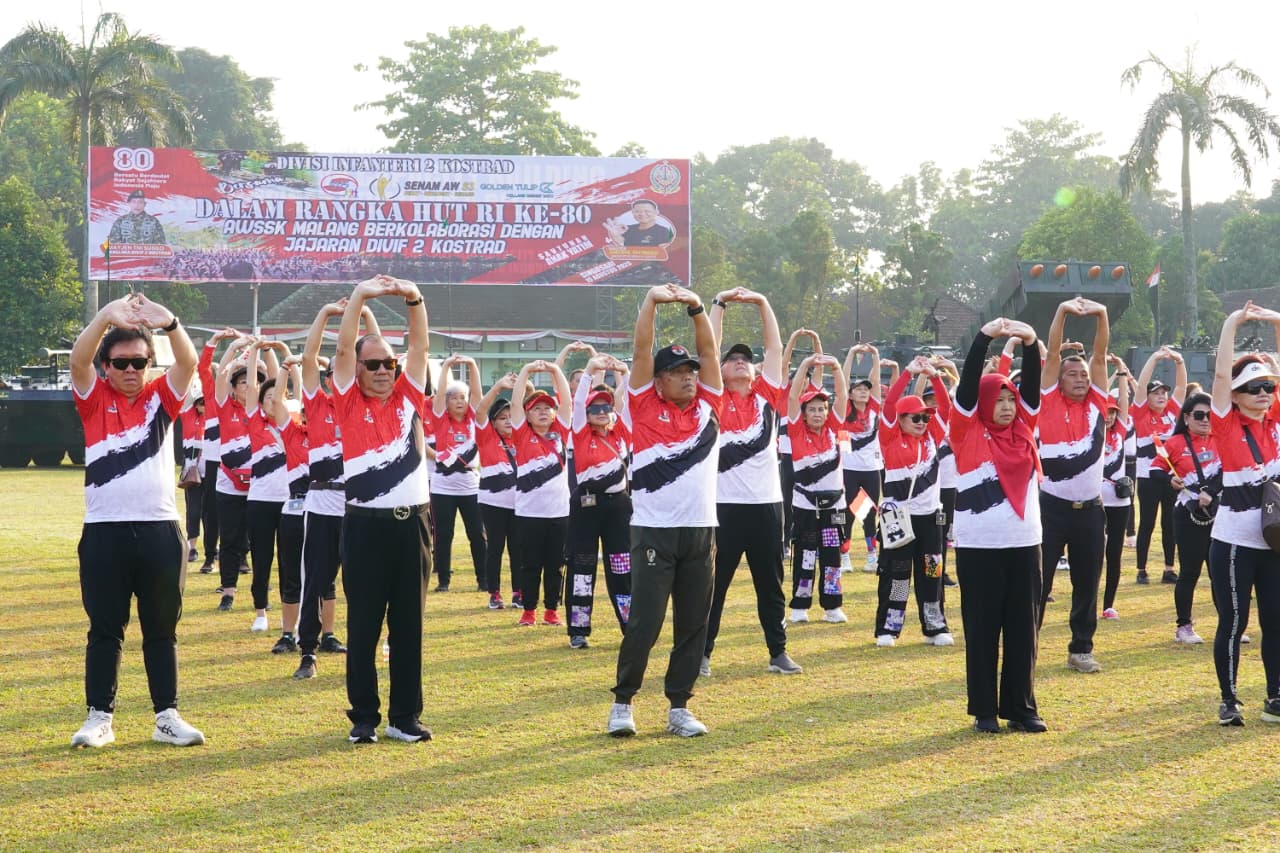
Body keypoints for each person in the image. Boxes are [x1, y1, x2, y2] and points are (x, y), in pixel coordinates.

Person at [68, 292, 205, 748]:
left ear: (150, 364)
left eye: (140, 362)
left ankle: (167, 717)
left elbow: (188, 363)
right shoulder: (93, 399)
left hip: (160, 530)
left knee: (161, 630)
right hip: (104, 531)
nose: (131, 370)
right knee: (105, 630)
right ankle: (99, 718)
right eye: (121, 363)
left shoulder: (161, 399)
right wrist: (105, 316)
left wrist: (170, 323)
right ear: (106, 366)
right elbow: (78, 360)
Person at [608, 284, 722, 738]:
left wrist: (697, 308)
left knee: (693, 624)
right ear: (657, 381)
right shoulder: (641, 406)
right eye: (676, 372)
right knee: (645, 622)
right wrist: (652, 302)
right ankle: (623, 702)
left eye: (690, 371)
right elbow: (641, 350)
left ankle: (679, 706)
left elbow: (709, 352)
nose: (688, 377)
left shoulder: (708, 406)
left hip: (701, 530)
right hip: (654, 530)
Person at [330, 274, 433, 744]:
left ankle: (404, 717)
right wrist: (360, 295)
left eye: (388, 363)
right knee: (364, 625)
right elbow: (343, 348)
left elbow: (420, 345)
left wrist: (413, 298)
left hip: (413, 527)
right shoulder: (348, 401)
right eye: (372, 364)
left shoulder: (410, 395)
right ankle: (364, 718)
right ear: (358, 369)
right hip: (365, 529)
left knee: (409, 626)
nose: (382, 371)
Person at [952, 317, 1046, 734]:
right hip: (979, 547)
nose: (1007, 406)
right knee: (983, 629)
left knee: (1024, 629)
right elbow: (968, 386)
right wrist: (983, 338)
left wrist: (1031, 341)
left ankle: (1021, 708)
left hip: (1025, 543)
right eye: (999, 400)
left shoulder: (1025, 429)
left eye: (1011, 399)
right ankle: (985, 709)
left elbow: (1034, 386)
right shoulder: (965, 429)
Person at [702, 288, 800, 677]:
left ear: (756, 372)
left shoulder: (767, 397)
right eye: (732, 359)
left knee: (771, 585)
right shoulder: (713, 398)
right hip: (722, 508)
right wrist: (719, 304)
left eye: (746, 359)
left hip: (766, 506)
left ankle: (778, 652)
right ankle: (702, 654)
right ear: (721, 370)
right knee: (713, 587)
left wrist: (763, 303)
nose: (739, 362)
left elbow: (774, 349)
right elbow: (708, 349)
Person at [1207, 303, 1280, 726]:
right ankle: (1229, 700)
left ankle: (1276, 696)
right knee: (1234, 621)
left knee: (1277, 621)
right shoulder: (1227, 425)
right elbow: (1220, 377)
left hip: (1275, 542)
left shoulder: (1275, 421)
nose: (1263, 393)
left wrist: (1276, 323)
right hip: (1235, 542)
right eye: (1253, 388)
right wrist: (1232, 322)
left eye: (1268, 386)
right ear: (1235, 396)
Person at [293, 300, 373, 680]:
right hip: (322, 505)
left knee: (363, 583)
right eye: (332, 374)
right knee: (315, 581)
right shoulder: (317, 404)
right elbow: (309, 358)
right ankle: (308, 652)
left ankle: (363, 648)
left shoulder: (364, 405)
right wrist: (325, 314)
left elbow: (375, 352)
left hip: (359, 507)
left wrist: (365, 314)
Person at [1036, 298, 1112, 675]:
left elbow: (1099, 356)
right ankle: (1026, 645)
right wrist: (1062, 311)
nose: (1081, 379)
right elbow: (1052, 354)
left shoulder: (1098, 402)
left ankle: (1081, 648)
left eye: (1083, 374)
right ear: (1059, 379)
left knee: (1087, 582)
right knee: (1038, 581)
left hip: (1091, 511)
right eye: (1072, 375)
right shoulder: (1048, 401)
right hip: (1050, 508)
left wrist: (1101, 314)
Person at [873, 356, 954, 647]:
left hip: (930, 518)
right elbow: (889, 404)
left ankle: (935, 626)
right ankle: (889, 628)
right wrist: (908, 372)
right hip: (898, 518)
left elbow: (945, 408)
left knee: (932, 571)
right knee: (897, 574)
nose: (922, 423)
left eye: (925, 418)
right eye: (915, 418)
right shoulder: (889, 438)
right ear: (900, 419)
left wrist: (935, 376)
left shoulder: (933, 436)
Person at [564, 354, 633, 649]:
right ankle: (578, 629)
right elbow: (579, 401)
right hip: (587, 507)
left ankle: (631, 626)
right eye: (595, 409)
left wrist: (624, 373)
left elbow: (630, 400)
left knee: (622, 567)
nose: (602, 412)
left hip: (619, 507)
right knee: (582, 567)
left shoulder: (621, 432)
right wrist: (591, 370)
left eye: (607, 407)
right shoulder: (580, 433)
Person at [1151, 391, 1220, 645]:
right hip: (1187, 515)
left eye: (1210, 415)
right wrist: (1170, 479)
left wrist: (1210, 491)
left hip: (1219, 514)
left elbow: (1229, 470)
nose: (1205, 420)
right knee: (1190, 572)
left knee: (1220, 573)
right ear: (1187, 417)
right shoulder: (1175, 442)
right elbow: (1155, 469)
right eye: (1199, 415)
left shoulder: (1221, 438)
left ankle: (1229, 624)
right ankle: (1184, 626)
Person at [509, 359, 573, 627]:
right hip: (529, 513)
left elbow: (567, 402)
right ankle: (528, 610)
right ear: (527, 415)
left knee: (556, 564)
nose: (543, 412)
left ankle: (551, 610)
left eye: (548, 408)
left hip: (559, 512)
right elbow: (514, 404)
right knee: (530, 564)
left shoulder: (561, 432)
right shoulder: (521, 434)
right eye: (537, 409)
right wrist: (526, 370)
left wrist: (555, 371)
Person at [242, 339, 290, 636]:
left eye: (277, 396)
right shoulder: (255, 422)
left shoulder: (292, 423)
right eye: (267, 397)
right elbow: (250, 386)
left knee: (288, 560)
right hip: (260, 500)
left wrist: (284, 353)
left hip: (289, 502)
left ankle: (288, 612)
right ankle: (260, 611)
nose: (272, 401)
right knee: (261, 559)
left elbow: (291, 384)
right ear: (260, 403)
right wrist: (255, 352)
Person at [212, 335, 260, 611]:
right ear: (232, 388)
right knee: (229, 539)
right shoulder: (225, 406)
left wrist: (261, 350)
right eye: (242, 382)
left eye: (250, 382)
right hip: (229, 485)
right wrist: (233, 348)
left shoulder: (262, 409)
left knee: (258, 541)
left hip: (260, 487)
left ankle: (260, 593)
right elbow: (221, 374)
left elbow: (271, 377)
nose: (248, 386)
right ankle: (228, 591)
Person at [431, 355, 487, 593]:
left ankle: (483, 579)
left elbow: (477, 394)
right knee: (444, 535)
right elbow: (439, 394)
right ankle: (443, 580)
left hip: (470, 485)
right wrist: (446, 366)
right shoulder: (440, 419)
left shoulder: (474, 418)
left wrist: (472, 365)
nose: (459, 401)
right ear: (446, 402)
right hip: (442, 486)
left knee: (477, 534)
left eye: (462, 397)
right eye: (453, 397)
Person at [1133, 346, 1188, 584]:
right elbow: (1140, 386)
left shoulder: (1172, 412)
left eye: (1164, 392)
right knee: (1147, 523)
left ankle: (1168, 569)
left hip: (1170, 477)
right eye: (1156, 393)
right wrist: (1154, 358)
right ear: (1147, 397)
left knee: (1170, 523)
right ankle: (1141, 570)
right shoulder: (1141, 413)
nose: (1162, 396)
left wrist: (1179, 362)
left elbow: (1181, 388)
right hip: (1147, 477)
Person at [474, 374, 521, 610]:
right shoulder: (487, 437)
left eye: (511, 417)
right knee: (494, 548)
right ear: (493, 423)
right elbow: (480, 411)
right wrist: (498, 387)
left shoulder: (524, 437)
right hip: (492, 503)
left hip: (521, 503)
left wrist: (523, 384)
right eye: (502, 418)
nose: (508, 421)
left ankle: (518, 592)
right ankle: (494, 593)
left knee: (518, 549)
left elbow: (528, 404)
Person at [840, 344, 887, 574]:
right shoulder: (843, 409)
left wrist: (875, 356)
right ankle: (844, 556)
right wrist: (851, 353)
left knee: (869, 513)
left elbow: (875, 381)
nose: (863, 392)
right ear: (850, 394)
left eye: (866, 389)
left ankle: (871, 556)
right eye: (858, 389)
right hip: (848, 469)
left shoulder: (874, 408)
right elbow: (843, 378)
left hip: (871, 469)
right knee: (848, 513)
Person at [1099, 357, 1134, 621]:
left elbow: (1123, 402)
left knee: (1114, 554)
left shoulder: (1120, 431)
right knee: (1092, 554)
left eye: (1113, 412)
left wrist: (1122, 373)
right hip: (1095, 502)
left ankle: (1108, 604)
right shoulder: (1091, 433)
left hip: (1119, 502)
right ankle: (1088, 599)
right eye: (1106, 412)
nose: (1110, 416)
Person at [177, 393, 205, 563]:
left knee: (211, 513)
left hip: (212, 471)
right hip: (192, 471)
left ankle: (212, 547)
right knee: (193, 510)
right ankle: (192, 547)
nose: (203, 405)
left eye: (206, 402)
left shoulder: (216, 417)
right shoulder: (188, 414)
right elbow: (185, 396)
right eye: (201, 402)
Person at [604, 199, 674, 247]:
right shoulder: (627, 229)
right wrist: (616, 236)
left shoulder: (663, 231)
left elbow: (663, 251)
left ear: (656, 212)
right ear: (633, 213)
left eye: (647, 211)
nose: (642, 214)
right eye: (637, 211)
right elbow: (622, 244)